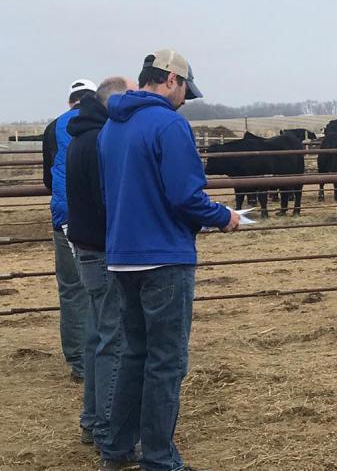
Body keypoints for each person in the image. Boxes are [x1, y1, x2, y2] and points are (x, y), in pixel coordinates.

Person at [97, 49, 239, 471]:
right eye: (184, 91)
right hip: (163, 256)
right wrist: (223, 216)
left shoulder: (112, 125)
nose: (184, 101)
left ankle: (117, 448)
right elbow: (185, 195)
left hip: (122, 255)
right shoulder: (168, 124)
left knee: (134, 354)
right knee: (166, 360)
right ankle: (159, 458)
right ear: (171, 80)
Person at [65, 77, 138, 449]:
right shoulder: (100, 140)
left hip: (85, 246)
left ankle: (92, 420)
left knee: (97, 334)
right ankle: (109, 425)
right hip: (103, 247)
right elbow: (107, 199)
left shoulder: (82, 135)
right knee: (114, 337)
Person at [42, 78, 97, 382]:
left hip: (64, 217)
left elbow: (49, 179)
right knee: (105, 285)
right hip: (100, 217)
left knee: (72, 290)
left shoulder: (53, 128)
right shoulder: (104, 122)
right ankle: (105, 353)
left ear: (69, 102)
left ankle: (78, 362)